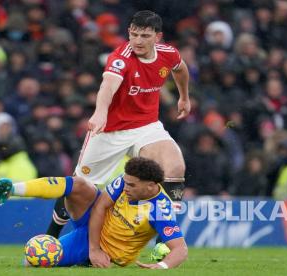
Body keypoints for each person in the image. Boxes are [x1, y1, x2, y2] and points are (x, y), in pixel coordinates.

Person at [47, 10, 191, 237]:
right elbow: (108, 85)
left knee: (175, 167)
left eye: (144, 36)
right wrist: (100, 113)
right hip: (109, 131)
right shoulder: (120, 57)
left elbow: (180, 69)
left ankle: (166, 239)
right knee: (78, 186)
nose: (137, 41)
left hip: (146, 126)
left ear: (158, 37)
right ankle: (51, 235)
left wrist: (184, 96)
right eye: (134, 35)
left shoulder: (168, 53)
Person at [0, 157, 188, 268]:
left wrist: (161, 266)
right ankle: (12, 189)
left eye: (132, 185)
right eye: (125, 182)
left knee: (29, 262)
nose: (125, 187)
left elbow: (180, 249)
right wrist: (94, 248)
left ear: (151, 186)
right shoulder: (124, 180)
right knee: (78, 184)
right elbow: (100, 206)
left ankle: (83, 258)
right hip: (94, 227)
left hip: (106, 249)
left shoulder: (160, 209)